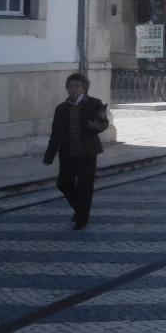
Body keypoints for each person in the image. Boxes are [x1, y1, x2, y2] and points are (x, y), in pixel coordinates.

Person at [43, 73, 109, 231]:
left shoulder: (94, 103)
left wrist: (97, 127)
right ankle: (81, 209)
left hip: (87, 151)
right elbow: (56, 133)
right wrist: (49, 155)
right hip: (67, 152)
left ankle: (82, 218)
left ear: (84, 88)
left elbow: (103, 121)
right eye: (70, 86)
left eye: (77, 86)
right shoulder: (61, 108)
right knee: (63, 184)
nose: (73, 89)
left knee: (85, 186)